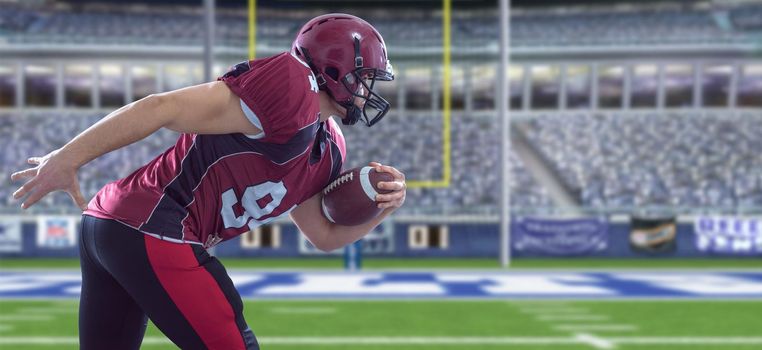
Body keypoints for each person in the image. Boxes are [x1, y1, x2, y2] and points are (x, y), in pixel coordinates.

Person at [10, 13, 405, 350]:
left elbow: (323, 236)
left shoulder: (329, 147)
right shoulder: (291, 87)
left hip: (114, 226)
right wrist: (67, 158)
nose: (369, 91)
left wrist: (383, 207)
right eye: (366, 77)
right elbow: (160, 107)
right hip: (155, 228)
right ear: (336, 70)